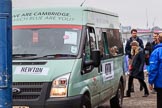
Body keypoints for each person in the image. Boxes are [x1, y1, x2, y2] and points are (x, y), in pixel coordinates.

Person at [148, 33, 162, 108]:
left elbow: (153, 68)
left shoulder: (156, 52)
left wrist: (151, 81)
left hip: (160, 82)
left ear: (158, 40)